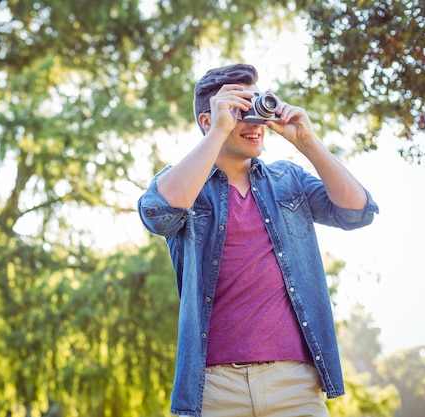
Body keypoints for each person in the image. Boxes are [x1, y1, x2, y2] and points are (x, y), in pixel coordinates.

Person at [137, 63, 379, 417]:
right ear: (209, 119)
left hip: (294, 384)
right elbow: (158, 214)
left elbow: (358, 211)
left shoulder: (288, 179)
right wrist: (218, 131)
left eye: (257, 106)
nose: (254, 122)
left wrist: (307, 141)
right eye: (239, 111)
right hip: (214, 386)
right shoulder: (186, 185)